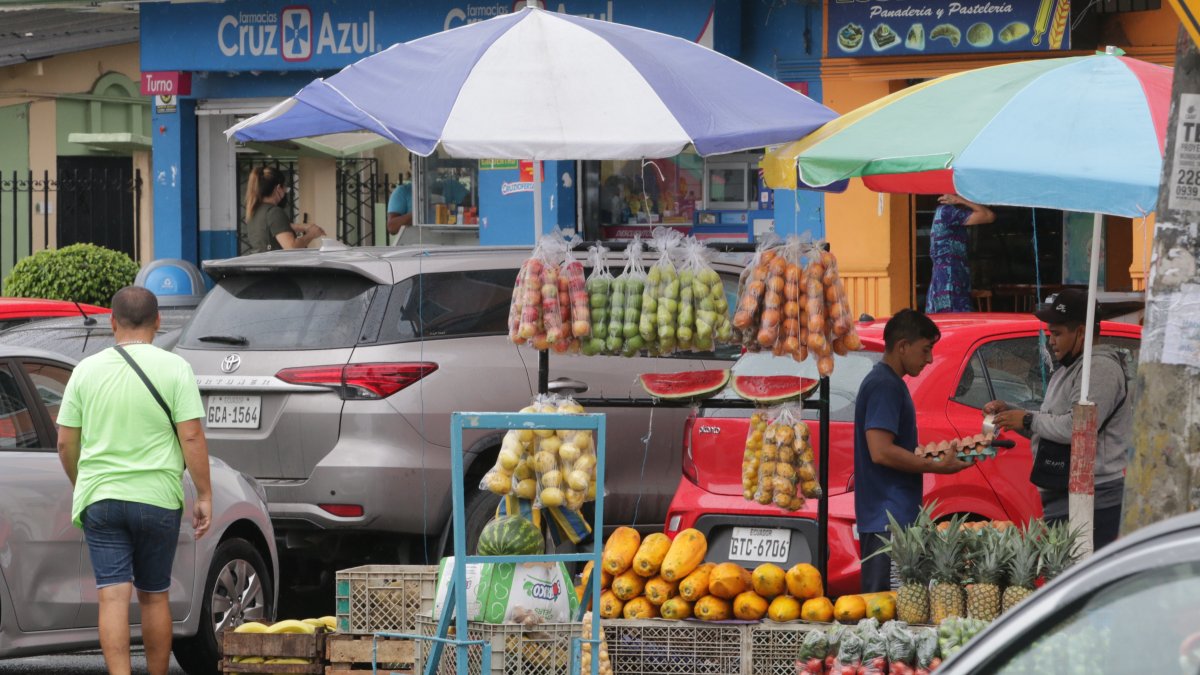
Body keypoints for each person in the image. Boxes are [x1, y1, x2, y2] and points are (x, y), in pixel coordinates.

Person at [56, 286, 211, 675]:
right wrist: (205, 494)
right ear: (158, 321)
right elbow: (191, 436)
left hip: (102, 499)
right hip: (158, 498)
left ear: (112, 322)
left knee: (112, 596)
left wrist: (83, 483)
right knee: (154, 596)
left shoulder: (85, 371)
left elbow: (64, 443)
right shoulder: (176, 369)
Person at [985, 288, 1132, 550]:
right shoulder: (1069, 368)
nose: (1050, 341)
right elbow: (1053, 424)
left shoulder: (1099, 369)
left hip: (1092, 499)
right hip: (1064, 493)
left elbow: (1078, 428)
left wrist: (1028, 420)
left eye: (1057, 333)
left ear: (1082, 333)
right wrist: (1012, 414)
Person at [855, 309, 970, 592]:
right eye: (925, 350)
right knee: (885, 611)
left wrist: (932, 456)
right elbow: (880, 451)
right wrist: (936, 466)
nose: (929, 359)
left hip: (889, 515)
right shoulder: (885, 385)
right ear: (903, 346)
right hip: (888, 520)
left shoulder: (888, 381)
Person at [926, 194, 995, 313]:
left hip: (948, 277)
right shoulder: (947, 211)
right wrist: (962, 200)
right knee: (956, 323)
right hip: (950, 279)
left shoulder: (945, 212)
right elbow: (988, 215)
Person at [244, 166, 325, 254]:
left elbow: (273, 227)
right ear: (278, 188)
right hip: (277, 265)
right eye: (285, 188)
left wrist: (302, 227)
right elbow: (291, 247)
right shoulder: (274, 212)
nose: (285, 191)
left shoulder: (255, 211)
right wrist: (312, 234)